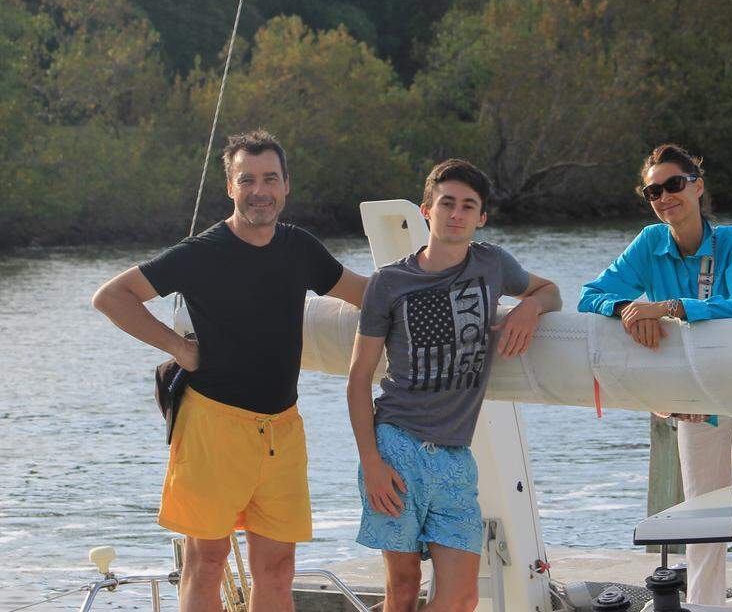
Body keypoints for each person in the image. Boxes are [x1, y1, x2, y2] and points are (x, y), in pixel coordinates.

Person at [92, 130, 367, 612]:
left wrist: (442, 281)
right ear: (231, 188)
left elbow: (365, 293)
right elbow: (112, 297)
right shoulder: (201, 251)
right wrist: (179, 347)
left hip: (282, 428)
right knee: (208, 562)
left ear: (286, 186)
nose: (259, 190)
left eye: (269, 179)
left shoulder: (300, 248)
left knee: (279, 570)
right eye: (247, 180)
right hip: (211, 425)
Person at [347, 159, 561, 612]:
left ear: (481, 217)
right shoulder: (390, 282)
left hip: (456, 459)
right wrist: (371, 461)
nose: (457, 214)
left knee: (461, 598)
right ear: (427, 209)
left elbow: (549, 291)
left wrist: (529, 308)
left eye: (469, 206)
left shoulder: (493, 265)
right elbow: (358, 378)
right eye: (447, 203)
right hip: (396, 448)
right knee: (402, 589)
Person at [578, 144, 732, 606]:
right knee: (703, 525)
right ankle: (704, 605)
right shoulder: (648, 243)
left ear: (697, 186)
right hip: (692, 406)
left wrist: (670, 308)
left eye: (674, 184)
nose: (665, 196)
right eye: (653, 190)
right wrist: (626, 310)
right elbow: (590, 296)